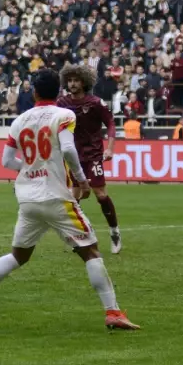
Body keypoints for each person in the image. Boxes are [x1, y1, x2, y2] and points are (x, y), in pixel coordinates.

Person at [0, 69, 139, 330]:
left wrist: (31, 168)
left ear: (34, 92)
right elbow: (68, 148)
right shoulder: (64, 115)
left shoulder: (20, 120)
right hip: (56, 196)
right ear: (59, 91)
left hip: (27, 198)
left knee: (18, 255)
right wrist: (82, 180)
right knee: (90, 251)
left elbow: (7, 161)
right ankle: (112, 312)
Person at [58, 64, 122, 253]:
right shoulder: (61, 103)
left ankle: (114, 231)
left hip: (93, 154)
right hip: (72, 156)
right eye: (70, 80)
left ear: (84, 82)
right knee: (73, 198)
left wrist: (109, 148)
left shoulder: (95, 102)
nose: (73, 83)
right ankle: (79, 236)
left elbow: (110, 123)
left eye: (76, 80)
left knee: (100, 194)